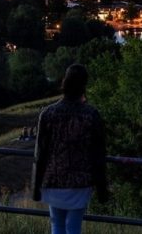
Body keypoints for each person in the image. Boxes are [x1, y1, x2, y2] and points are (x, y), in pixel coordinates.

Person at [32, 64, 108, 234]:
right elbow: (98, 154)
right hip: (80, 181)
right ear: (84, 85)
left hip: (53, 179)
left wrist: (35, 186)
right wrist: (102, 187)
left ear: (64, 82)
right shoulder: (91, 114)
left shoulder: (48, 113)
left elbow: (40, 153)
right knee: (73, 227)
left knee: (57, 225)